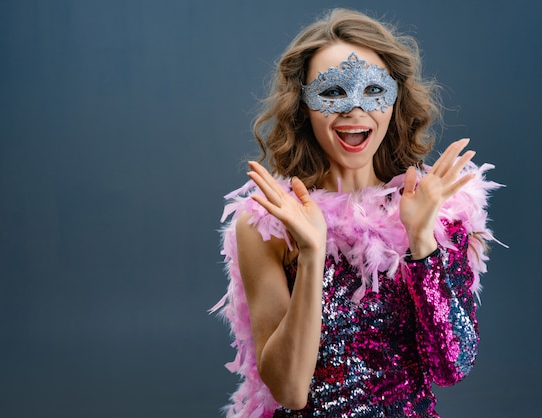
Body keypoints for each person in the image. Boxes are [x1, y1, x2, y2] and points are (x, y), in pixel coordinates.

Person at [211, 8, 501, 418]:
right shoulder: (270, 223)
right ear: (303, 107)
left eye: (373, 91)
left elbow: (453, 366)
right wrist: (312, 256)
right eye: (331, 92)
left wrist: (422, 244)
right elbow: (291, 392)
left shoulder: (439, 211)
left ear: (395, 101)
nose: (354, 109)